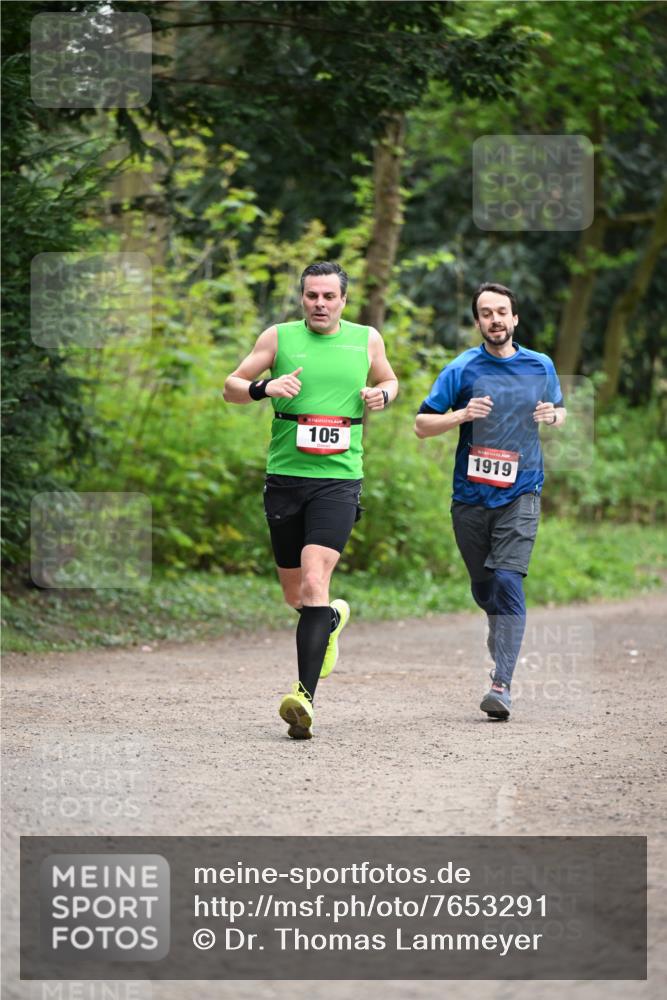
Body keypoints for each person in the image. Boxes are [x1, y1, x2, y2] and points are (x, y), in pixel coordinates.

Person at [223, 261, 398, 739]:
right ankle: (331, 619)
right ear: (302, 298)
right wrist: (265, 388)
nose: (320, 304)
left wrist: (382, 395)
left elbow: (390, 380)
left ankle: (304, 700)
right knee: (296, 594)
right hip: (286, 478)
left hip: (339, 480)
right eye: (312, 296)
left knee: (316, 579)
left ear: (344, 300)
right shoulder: (278, 337)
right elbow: (231, 387)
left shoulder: (366, 339)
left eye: (329, 296)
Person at [414, 282, 565, 720]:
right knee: (485, 589)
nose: (495, 319)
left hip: (522, 492)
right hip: (470, 498)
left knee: (507, 580)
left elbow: (559, 408)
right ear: (478, 322)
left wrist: (553, 416)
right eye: (486, 313)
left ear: (514, 318)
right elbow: (421, 424)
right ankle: (499, 630)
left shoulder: (540, 365)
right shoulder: (461, 369)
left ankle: (501, 684)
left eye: (501, 311)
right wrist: (462, 414)